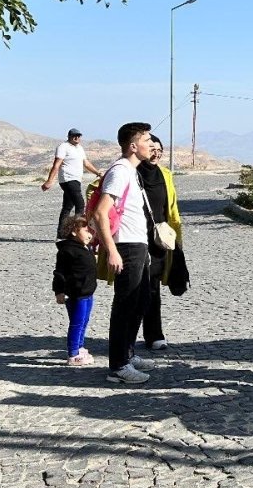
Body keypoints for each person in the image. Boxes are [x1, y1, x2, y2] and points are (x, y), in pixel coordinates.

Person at [94, 122, 158, 384]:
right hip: (126, 247)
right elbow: (100, 212)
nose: (152, 144)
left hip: (138, 245)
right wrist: (111, 250)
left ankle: (128, 354)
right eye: (146, 139)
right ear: (133, 146)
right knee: (125, 304)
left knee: (140, 301)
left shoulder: (132, 171)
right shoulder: (120, 171)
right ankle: (118, 366)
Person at [137, 135, 183, 352]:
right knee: (133, 288)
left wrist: (177, 237)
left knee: (153, 287)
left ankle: (154, 334)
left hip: (158, 239)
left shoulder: (165, 175)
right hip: (135, 238)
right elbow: (95, 189)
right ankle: (126, 335)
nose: (156, 153)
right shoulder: (131, 172)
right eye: (152, 149)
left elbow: (171, 209)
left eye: (160, 150)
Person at [52, 215, 98, 366]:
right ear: (74, 232)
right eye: (86, 230)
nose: (90, 234)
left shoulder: (85, 247)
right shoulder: (67, 251)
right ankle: (73, 353)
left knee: (84, 321)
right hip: (76, 294)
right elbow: (59, 273)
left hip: (88, 293)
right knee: (76, 323)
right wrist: (59, 291)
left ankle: (80, 346)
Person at [42, 128, 102, 239]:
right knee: (80, 205)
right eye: (74, 135)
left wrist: (97, 172)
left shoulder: (79, 148)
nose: (77, 137)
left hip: (76, 179)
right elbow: (56, 165)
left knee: (67, 207)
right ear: (69, 136)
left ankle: (61, 234)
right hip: (68, 179)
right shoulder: (63, 147)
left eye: (78, 136)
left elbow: (86, 163)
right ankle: (77, 232)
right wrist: (49, 181)